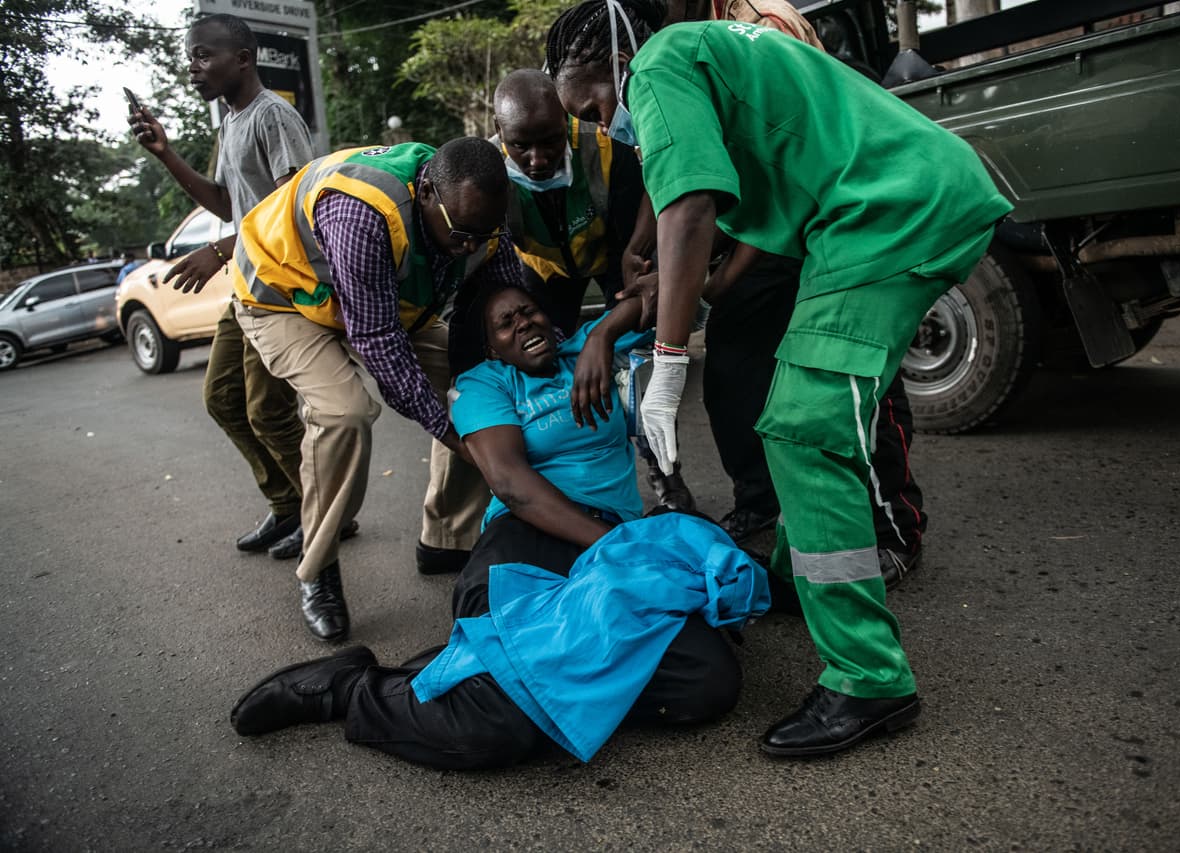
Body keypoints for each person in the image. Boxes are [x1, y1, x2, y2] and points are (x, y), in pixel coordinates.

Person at [545, 0, 1012, 757]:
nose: (603, 125)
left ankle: (869, 677)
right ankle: (802, 577)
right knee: (788, 413)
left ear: (617, 62)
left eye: (595, 104)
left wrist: (666, 366)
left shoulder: (660, 61)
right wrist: (657, 302)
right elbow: (723, 213)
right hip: (879, 208)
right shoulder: (708, 50)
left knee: (804, 427)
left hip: (888, 212)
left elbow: (691, 206)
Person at [228, 284, 764, 769]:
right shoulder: (484, 385)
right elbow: (511, 484)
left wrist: (603, 331)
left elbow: (683, 297)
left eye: (528, 312)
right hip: (529, 538)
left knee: (707, 685)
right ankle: (350, 689)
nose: (523, 324)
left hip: (606, 551)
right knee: (491, 732)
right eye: (505, 324)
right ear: (491, 347)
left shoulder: (590, 350)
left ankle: (514, 681)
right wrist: (620, 547)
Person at [664, 0, 929, 587]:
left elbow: (782, 173)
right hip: (768, 231)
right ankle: (765, 500)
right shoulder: (682, 39)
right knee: (736, 375)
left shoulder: (764, 23)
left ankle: (896, 528)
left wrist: (716, 285)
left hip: (820, 223)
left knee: (858, 382)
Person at [230, 137, 533, 641]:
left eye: (483, 236)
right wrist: (454, 434)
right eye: (460, 235)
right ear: (428, 192)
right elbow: (376, 340)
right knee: (343, 412)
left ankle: (448, 538)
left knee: (477, 386)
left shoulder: (482, 214)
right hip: (284, 295)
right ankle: (318, 567)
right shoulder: (363, 212)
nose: (469, 248)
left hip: (377, 303)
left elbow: (501, 306)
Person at [128, 13, 326, 560]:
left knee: (267, 411)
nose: (192, 67)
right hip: (246, 283)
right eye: (190, 56)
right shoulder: (231, 122)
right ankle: (288, 504)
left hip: (281, 292)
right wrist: (165, 153)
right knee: (221, 398)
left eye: (202, 55)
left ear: (243, 58)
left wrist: (218, 250)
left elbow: (296, 211)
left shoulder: (273, 118)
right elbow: (225, 202)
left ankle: (324, 516)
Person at [490, 68, 694, 512]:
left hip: (612, 251)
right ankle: (565, 477)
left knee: (637, 362)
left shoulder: (605, 149)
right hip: (543, 270)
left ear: (566, 123)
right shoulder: (488, 174)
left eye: (549, 141)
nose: (538, 160)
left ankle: (666, 471)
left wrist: (608, 333)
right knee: (541, 365)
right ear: (499, 133)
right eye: (521, 146)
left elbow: (646, 239)